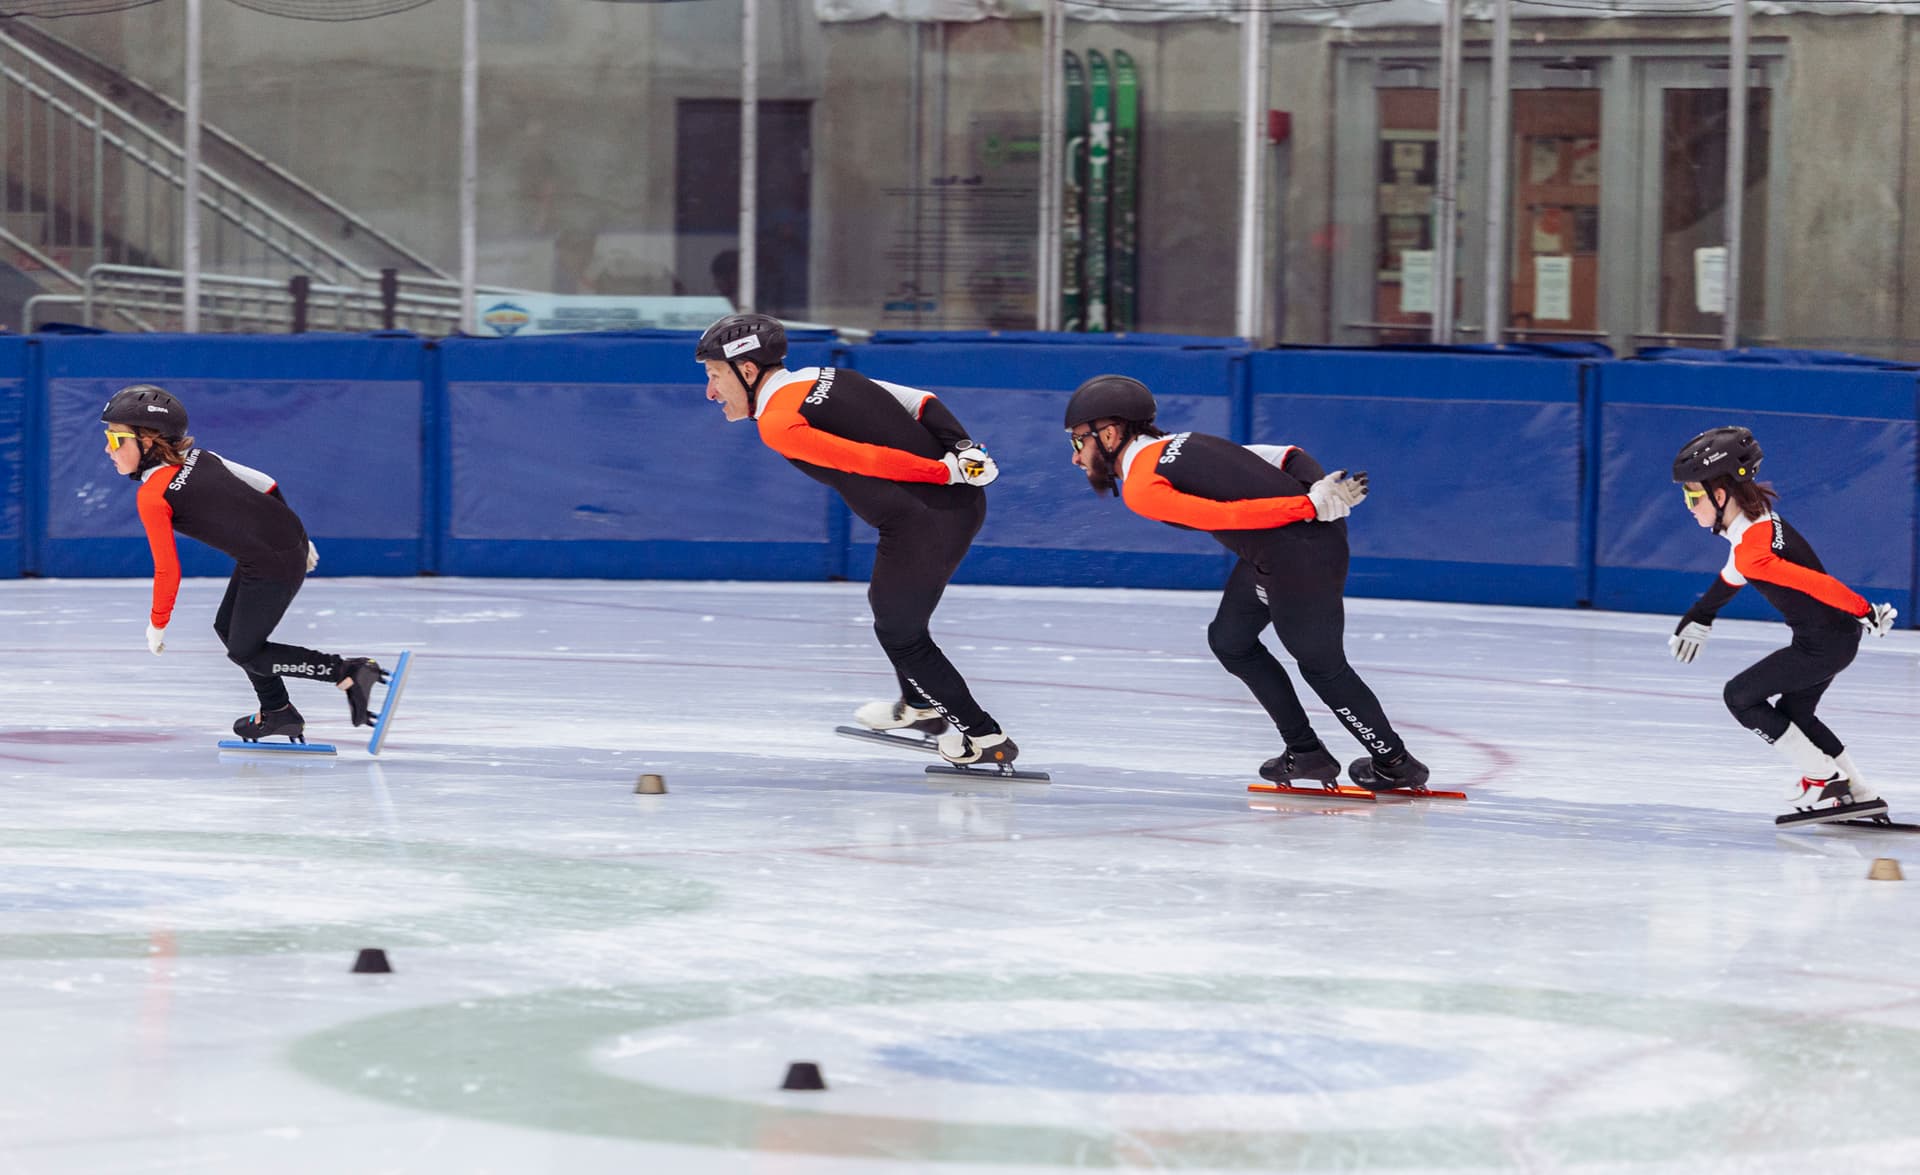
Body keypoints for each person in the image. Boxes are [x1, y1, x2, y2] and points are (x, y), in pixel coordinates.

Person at [1061, 374, 1428, 790]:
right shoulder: (1184, 442)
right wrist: (1317, 494)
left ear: (1108, 434)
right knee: (1231, 640)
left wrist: (1309, 504)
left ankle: (1395, 762)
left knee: (1322, 667)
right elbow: (1289, 456)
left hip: (1298, 559)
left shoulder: (1142, 486)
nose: (1075, 457)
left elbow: (1226, 516)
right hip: (1280, 553)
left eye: (1078, 442)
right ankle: (1305, 752)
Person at [695, 313, 1018, 768]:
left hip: (926, 518)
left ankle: (985, 738)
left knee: (900, 633)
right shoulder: (824, 376)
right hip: (943, 509)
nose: (710, 392)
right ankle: (922, 708)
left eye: (714, 376)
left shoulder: (778, 422)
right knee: (892, 612)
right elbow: (921, 402)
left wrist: (943, 470)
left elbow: (867, 461)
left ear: (747, 371)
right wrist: (962, 447)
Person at [101, 384, 388, 743]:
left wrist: (157, 623)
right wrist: (298, 537)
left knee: (245, 651)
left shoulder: (153, 495)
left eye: (116, 440)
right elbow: (267, 485)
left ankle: (348, 671)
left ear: (148, 441)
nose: (108, 449)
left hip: (272, 561)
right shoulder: (202, 457)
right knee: (228, 628)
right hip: (278, 547)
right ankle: (278, 713)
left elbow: (167, 570)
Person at [1669, 425, 1898, 823]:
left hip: (1822, 644)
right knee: (1797, 713)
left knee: (1739, 696)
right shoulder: (1758, 522)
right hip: (1836, 638)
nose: (1689, 506)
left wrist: (1864, 608)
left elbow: (1814, 582)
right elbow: (1732, 573)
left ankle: (1823, 779)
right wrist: (1702, 613)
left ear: (1720, 495)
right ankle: (1859, 792)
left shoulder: (1752, 551)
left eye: (1692, 495)